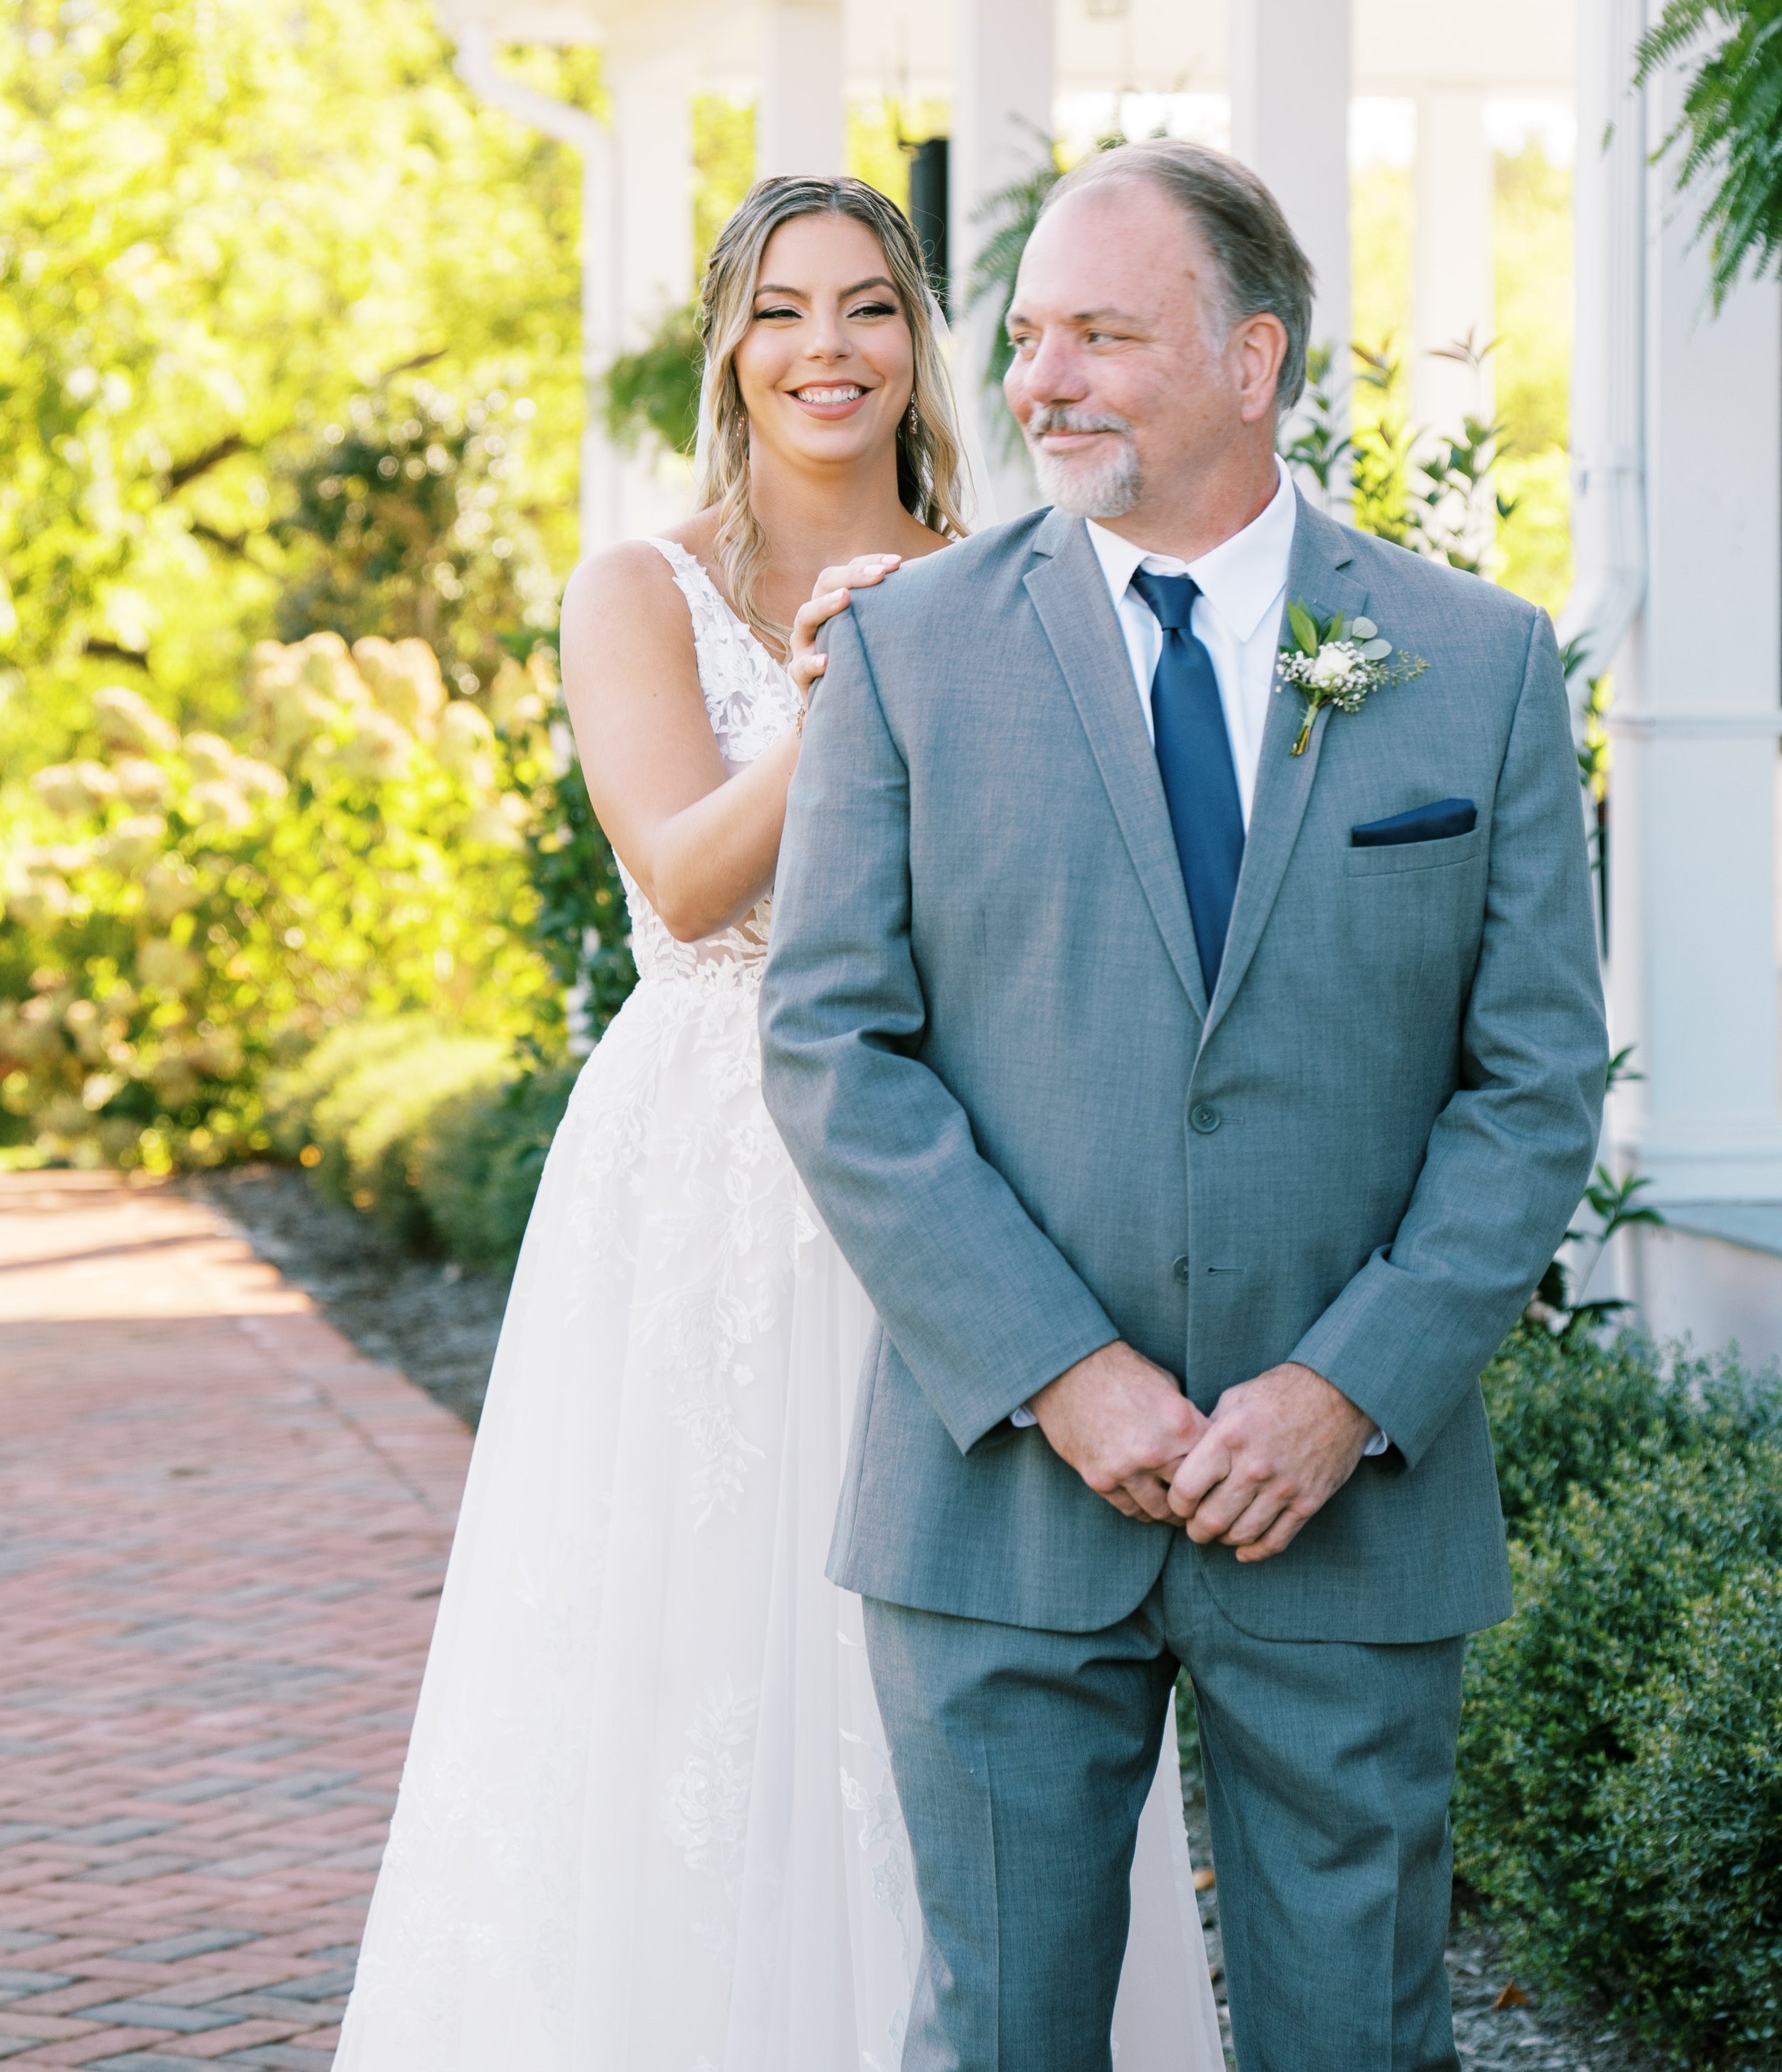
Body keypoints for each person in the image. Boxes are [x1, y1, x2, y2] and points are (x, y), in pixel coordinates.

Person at [334, 172, 1220, 2071]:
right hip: (707, 1174)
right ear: (732, 352)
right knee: (684, 1639)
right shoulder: (634, 588)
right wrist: (834, 702)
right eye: (784, 311)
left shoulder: (1032, 568)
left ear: (919, 351)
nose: (828, 347)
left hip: (961, 1162)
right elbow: (677, 879)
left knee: (983, 1659)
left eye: (870, 308)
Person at [759, 139, 1610, 2072]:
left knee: (1356, 2037)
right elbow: (831, 1044)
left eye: (1102, 335)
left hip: (1345, 1498)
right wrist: (1059, 1365)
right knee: (1000, 2038)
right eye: (1031, 334)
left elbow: (1534, 1075)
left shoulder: (1472, 664)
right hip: (999, 1501)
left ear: (1250, 359)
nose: (1041, 378)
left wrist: (1344, 1387)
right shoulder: (906, 654)